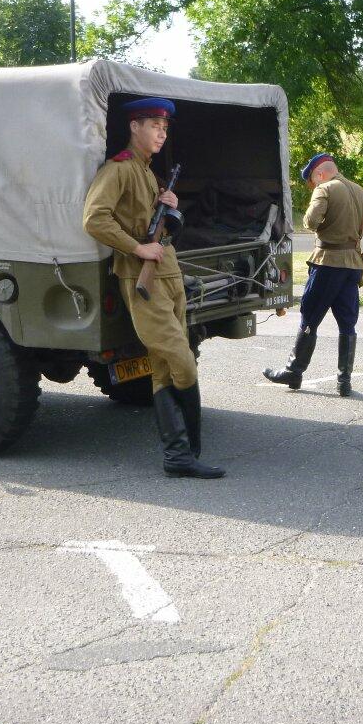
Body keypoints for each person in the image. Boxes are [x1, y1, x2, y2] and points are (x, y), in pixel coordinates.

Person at [83, 97, 225, 479]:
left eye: (164, 129)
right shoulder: (119, 170)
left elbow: (158, 224)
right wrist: (136, 247)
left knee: (163, 367)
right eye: (154, 127)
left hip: (168, 274)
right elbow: (94, 219)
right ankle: (191, 447)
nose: (161, 134)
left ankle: (178, 456)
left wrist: (170, 205)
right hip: (142, 277)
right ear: (135, 127)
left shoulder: (148, 173)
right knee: (182, 360)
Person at [263, 153, 363, 396]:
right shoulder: (361, 191)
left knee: (310, 317)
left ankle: (294, 371)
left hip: (327, 263)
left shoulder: (325, 189)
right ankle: (344, 381)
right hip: (353, 264)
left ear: (320, 174)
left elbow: (310, 222)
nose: (313, 185)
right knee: (347, 323)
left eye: (313, 180)